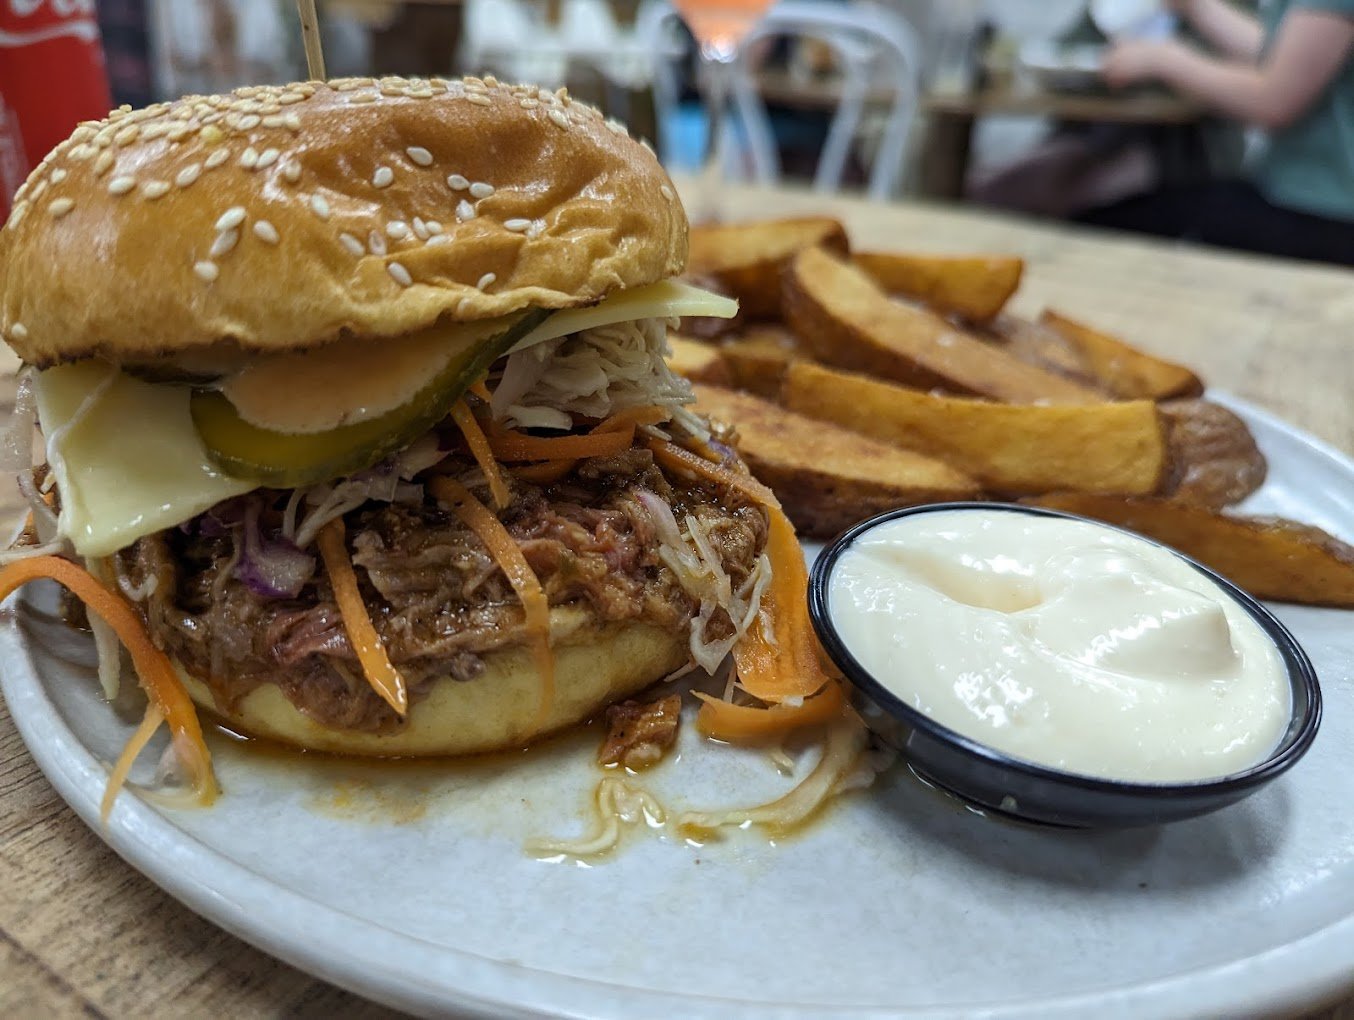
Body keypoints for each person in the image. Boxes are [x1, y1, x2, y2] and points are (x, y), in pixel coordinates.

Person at [1079, 0, 1354, 264]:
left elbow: (1274, 101)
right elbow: (1280, 54)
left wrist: (1164, 59)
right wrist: (1194, 6)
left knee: (1099, 227)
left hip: (1321, 214)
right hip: (1299, 196)